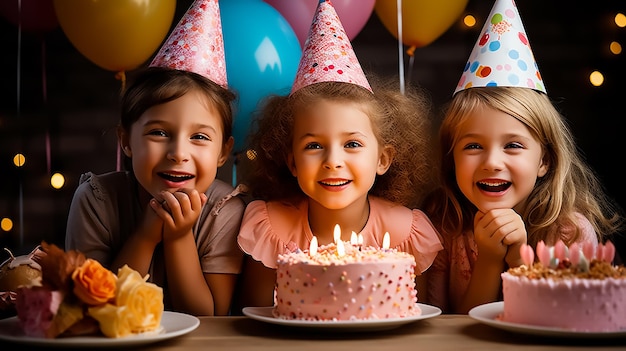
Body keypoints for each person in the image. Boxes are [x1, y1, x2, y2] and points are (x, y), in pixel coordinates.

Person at [233, 0, 443, 312]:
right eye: (314, 146)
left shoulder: (405, 233)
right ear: (291, 161)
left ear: (383, 159)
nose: (333, 160)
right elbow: (255, 315)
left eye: (352, 144)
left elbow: (417, 314)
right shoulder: (272, 228)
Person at [424, 0, 624, 314]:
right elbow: (449, 327)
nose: (492, 162)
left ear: (544, 160)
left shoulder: (569, 233)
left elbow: (561, 319)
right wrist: (489, 259)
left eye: (513, 146)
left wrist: (519, 258)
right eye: (473, 146)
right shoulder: (442, 227)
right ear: (452, 159)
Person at [65, 0, 246, 316]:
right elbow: (93, 307)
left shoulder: (225, 211)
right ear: (126, 142)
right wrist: (147, 234)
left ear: (223, 152)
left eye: (199, 137)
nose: (178, 152)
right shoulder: (96, 200)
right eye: (159, 133)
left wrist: (178, 237)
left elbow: (208, 318)